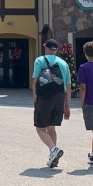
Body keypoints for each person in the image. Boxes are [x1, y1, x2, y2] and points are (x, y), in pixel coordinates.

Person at [32, 38, 72, 168]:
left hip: (44, 97)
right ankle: (52, 157)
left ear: (46, 48)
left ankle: (53, 149)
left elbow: (35, 80)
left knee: (40, 127)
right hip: (60, 97)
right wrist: (67, 105)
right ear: (56, 50)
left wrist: (35, 96)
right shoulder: (64, 63)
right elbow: (68, 86)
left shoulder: (40, 60)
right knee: (51, 127)